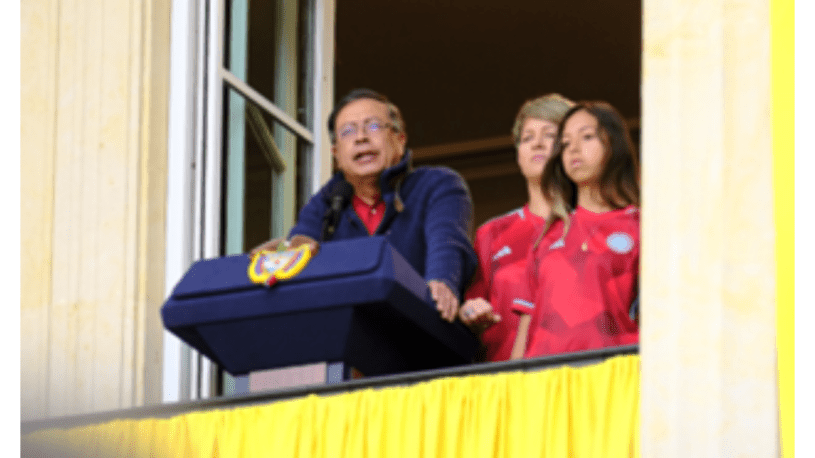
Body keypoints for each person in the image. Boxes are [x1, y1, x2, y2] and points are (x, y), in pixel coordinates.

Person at [250, 88, 478, 322]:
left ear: (400, 140)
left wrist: (442, 281)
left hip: (421, 328)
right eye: (347, 131)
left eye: (374, 126)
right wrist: (281, 258)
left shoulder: (438, 184)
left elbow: (447, 244)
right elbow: (300, 249)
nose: (360, 137)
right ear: (336, 154)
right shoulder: (325, 204)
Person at [510, 101, 640, 359]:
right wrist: (511, 380)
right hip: (543, 376)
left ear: (613, 144)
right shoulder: (547, 235)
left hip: (612, 372)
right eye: (566, 143)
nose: (574, 149)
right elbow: (526, 328)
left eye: (587, 137)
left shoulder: (642, 226)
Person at [457, 94, 573, 361]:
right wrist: (470, 313)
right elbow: (470, 308)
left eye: (549, 135)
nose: (537, 143)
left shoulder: (593, 226)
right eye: (527, 138)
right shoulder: (492, 233)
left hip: (578, 374)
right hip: (505, 375)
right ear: (519, 155)